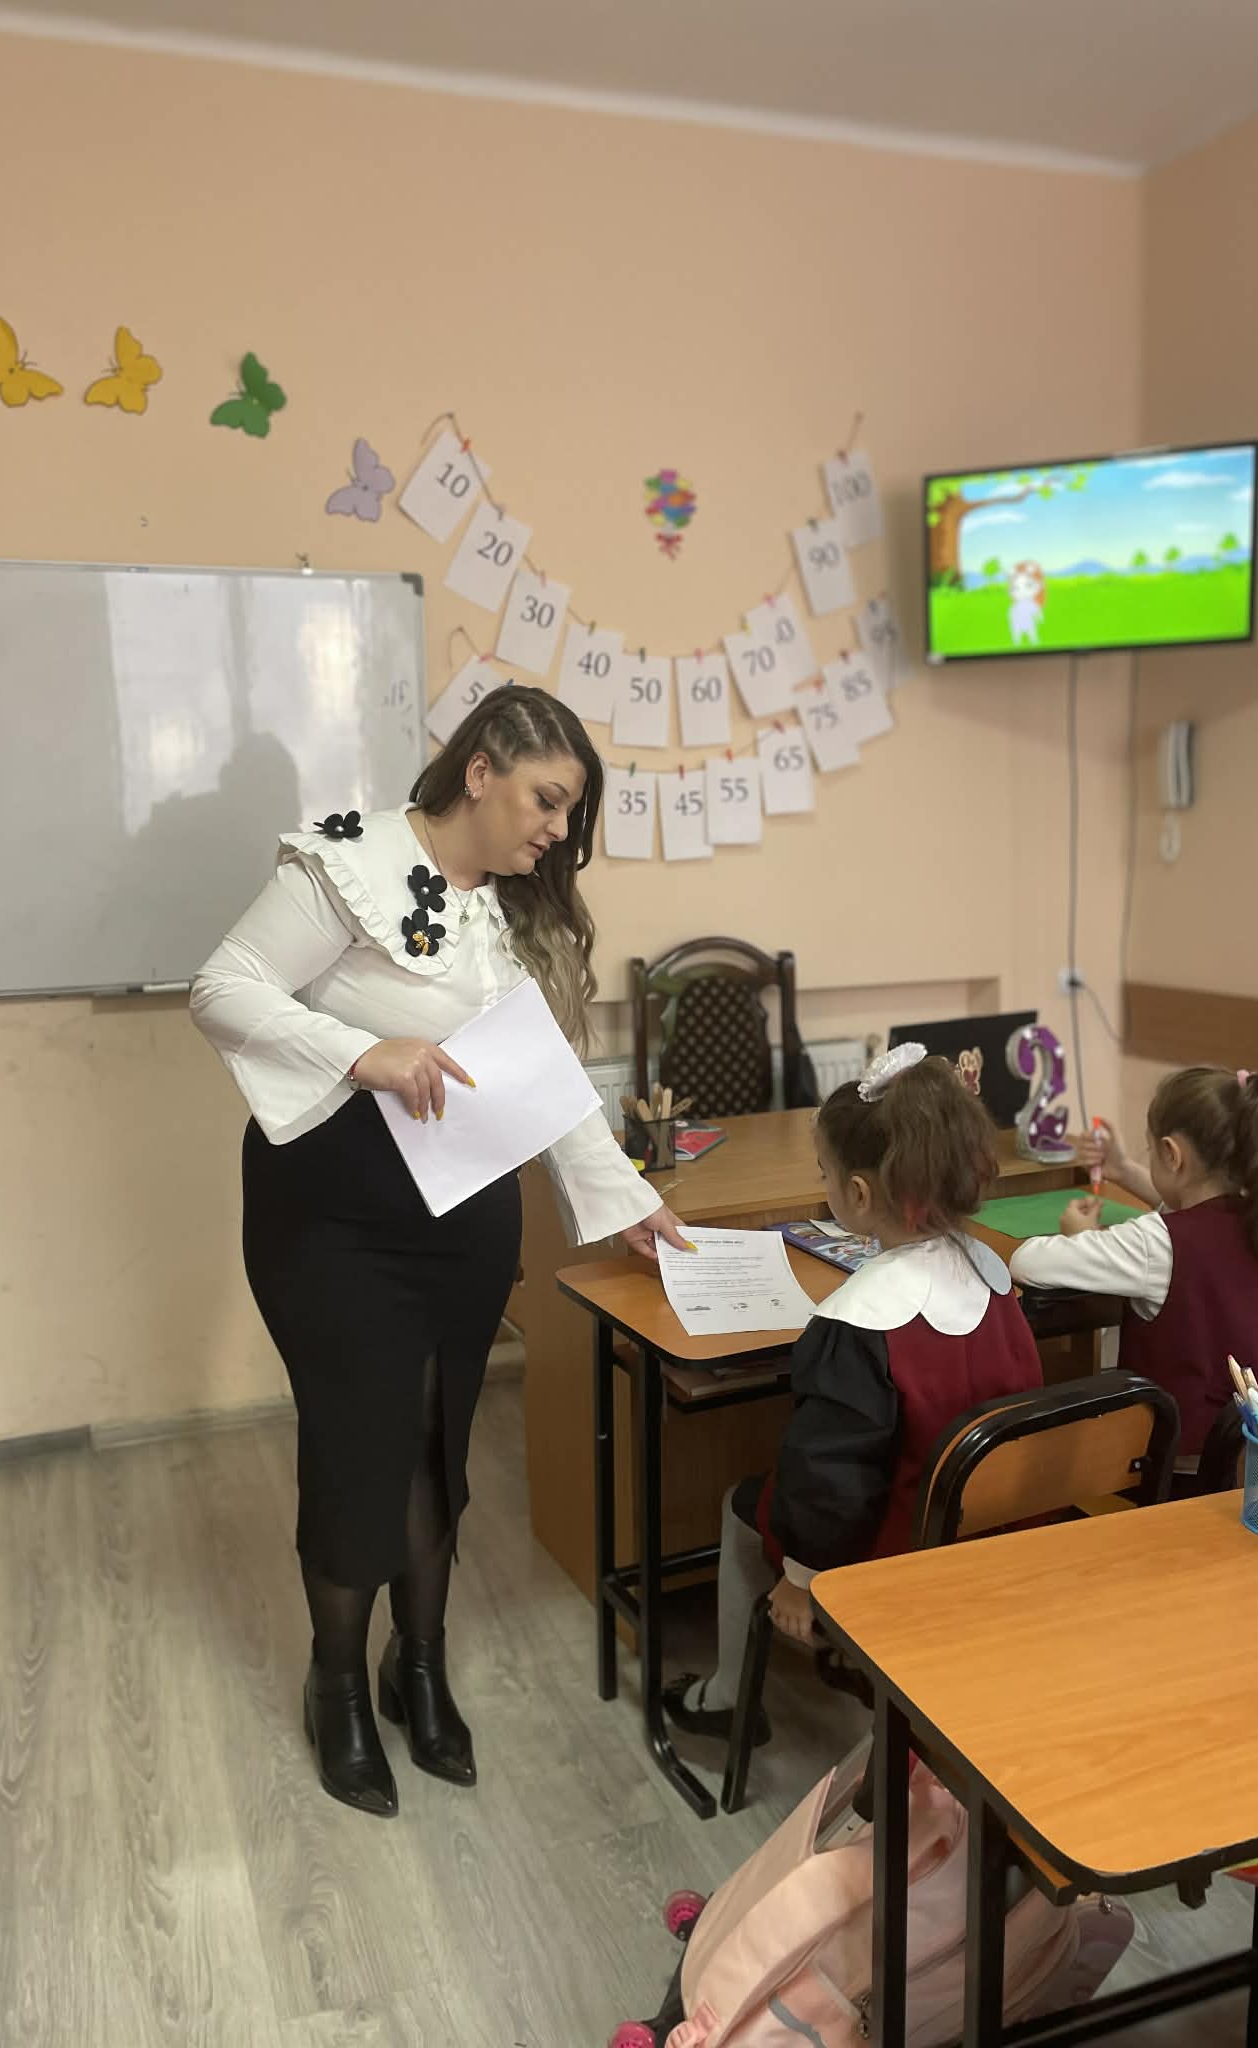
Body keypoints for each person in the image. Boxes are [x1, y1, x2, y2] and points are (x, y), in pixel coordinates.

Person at [191, 686, 689, 1817]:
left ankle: (417, 1664)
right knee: (355, 1448)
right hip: (333, 1215)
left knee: (434, 1441)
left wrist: (626, 1199)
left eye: (569, 812)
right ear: (480, 769)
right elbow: (222, 989)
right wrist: (364, 1051)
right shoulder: (348, 863)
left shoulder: (508, 910)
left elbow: (541, 1079)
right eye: (547, 799)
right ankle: (334, 1681)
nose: (557, 830)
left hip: (463, 1214)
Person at [664, 1045, 1042, 1739]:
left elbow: (829, 1480)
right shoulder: (997, 1276)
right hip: (990, 1537)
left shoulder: (859, 1322)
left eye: (825, 1175)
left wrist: (801, 1577)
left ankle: (726, 1698)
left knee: (740, 1505)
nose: (824, 1186)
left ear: (860, 1197)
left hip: (898, 1553)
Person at [1011, 1066, 1258, 1455]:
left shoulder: (1157, 1243)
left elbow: (1025, 1262)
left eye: (1151, 1152)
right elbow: (1192, 1213)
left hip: (1173, 1460)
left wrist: (1080, 1237)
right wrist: (1124, 1171)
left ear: (1171, 1153)